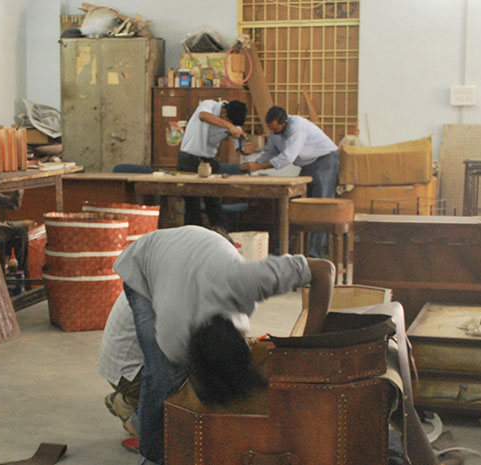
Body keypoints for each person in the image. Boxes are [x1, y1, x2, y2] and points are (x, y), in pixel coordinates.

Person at [113, 225, 317, 465]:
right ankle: (150, 457)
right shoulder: (173, 341)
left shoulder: (252, 279)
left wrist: (310, 340)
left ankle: (149, 424)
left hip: (196, 253)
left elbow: (325, 269)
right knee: (161, 375)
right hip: (146, 259)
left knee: (191, 381)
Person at [241, 106, 340, 259]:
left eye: (276, 129)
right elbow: (269, 152)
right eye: (271, 129)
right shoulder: (275, 132)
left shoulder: (297, 126)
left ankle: (315, 255)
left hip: (326, 160)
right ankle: (290, 251)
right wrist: (253, 166)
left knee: (320, 208)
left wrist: (259, 167)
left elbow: (288, 157)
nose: (273, 132)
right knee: (298, 206)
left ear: (285, 123)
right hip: (308, 164)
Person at [177, 99, 249, 229]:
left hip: (208, 161)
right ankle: (193, 237)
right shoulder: (209, 105)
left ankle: (220, 235)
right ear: (224, 111)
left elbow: (239, 147)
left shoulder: (233, 124)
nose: (230, 126)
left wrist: (244, 148)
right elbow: (203, 116)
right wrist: (229, 126)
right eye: (229, 122)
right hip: (189, 159)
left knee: (214, 201)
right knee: (192, 204)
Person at [99, 293, 142, 449]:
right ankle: (137, 425)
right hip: (129, 375)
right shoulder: (162, 291)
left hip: (121, 368)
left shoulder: (144, 281)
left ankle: (127, 402)